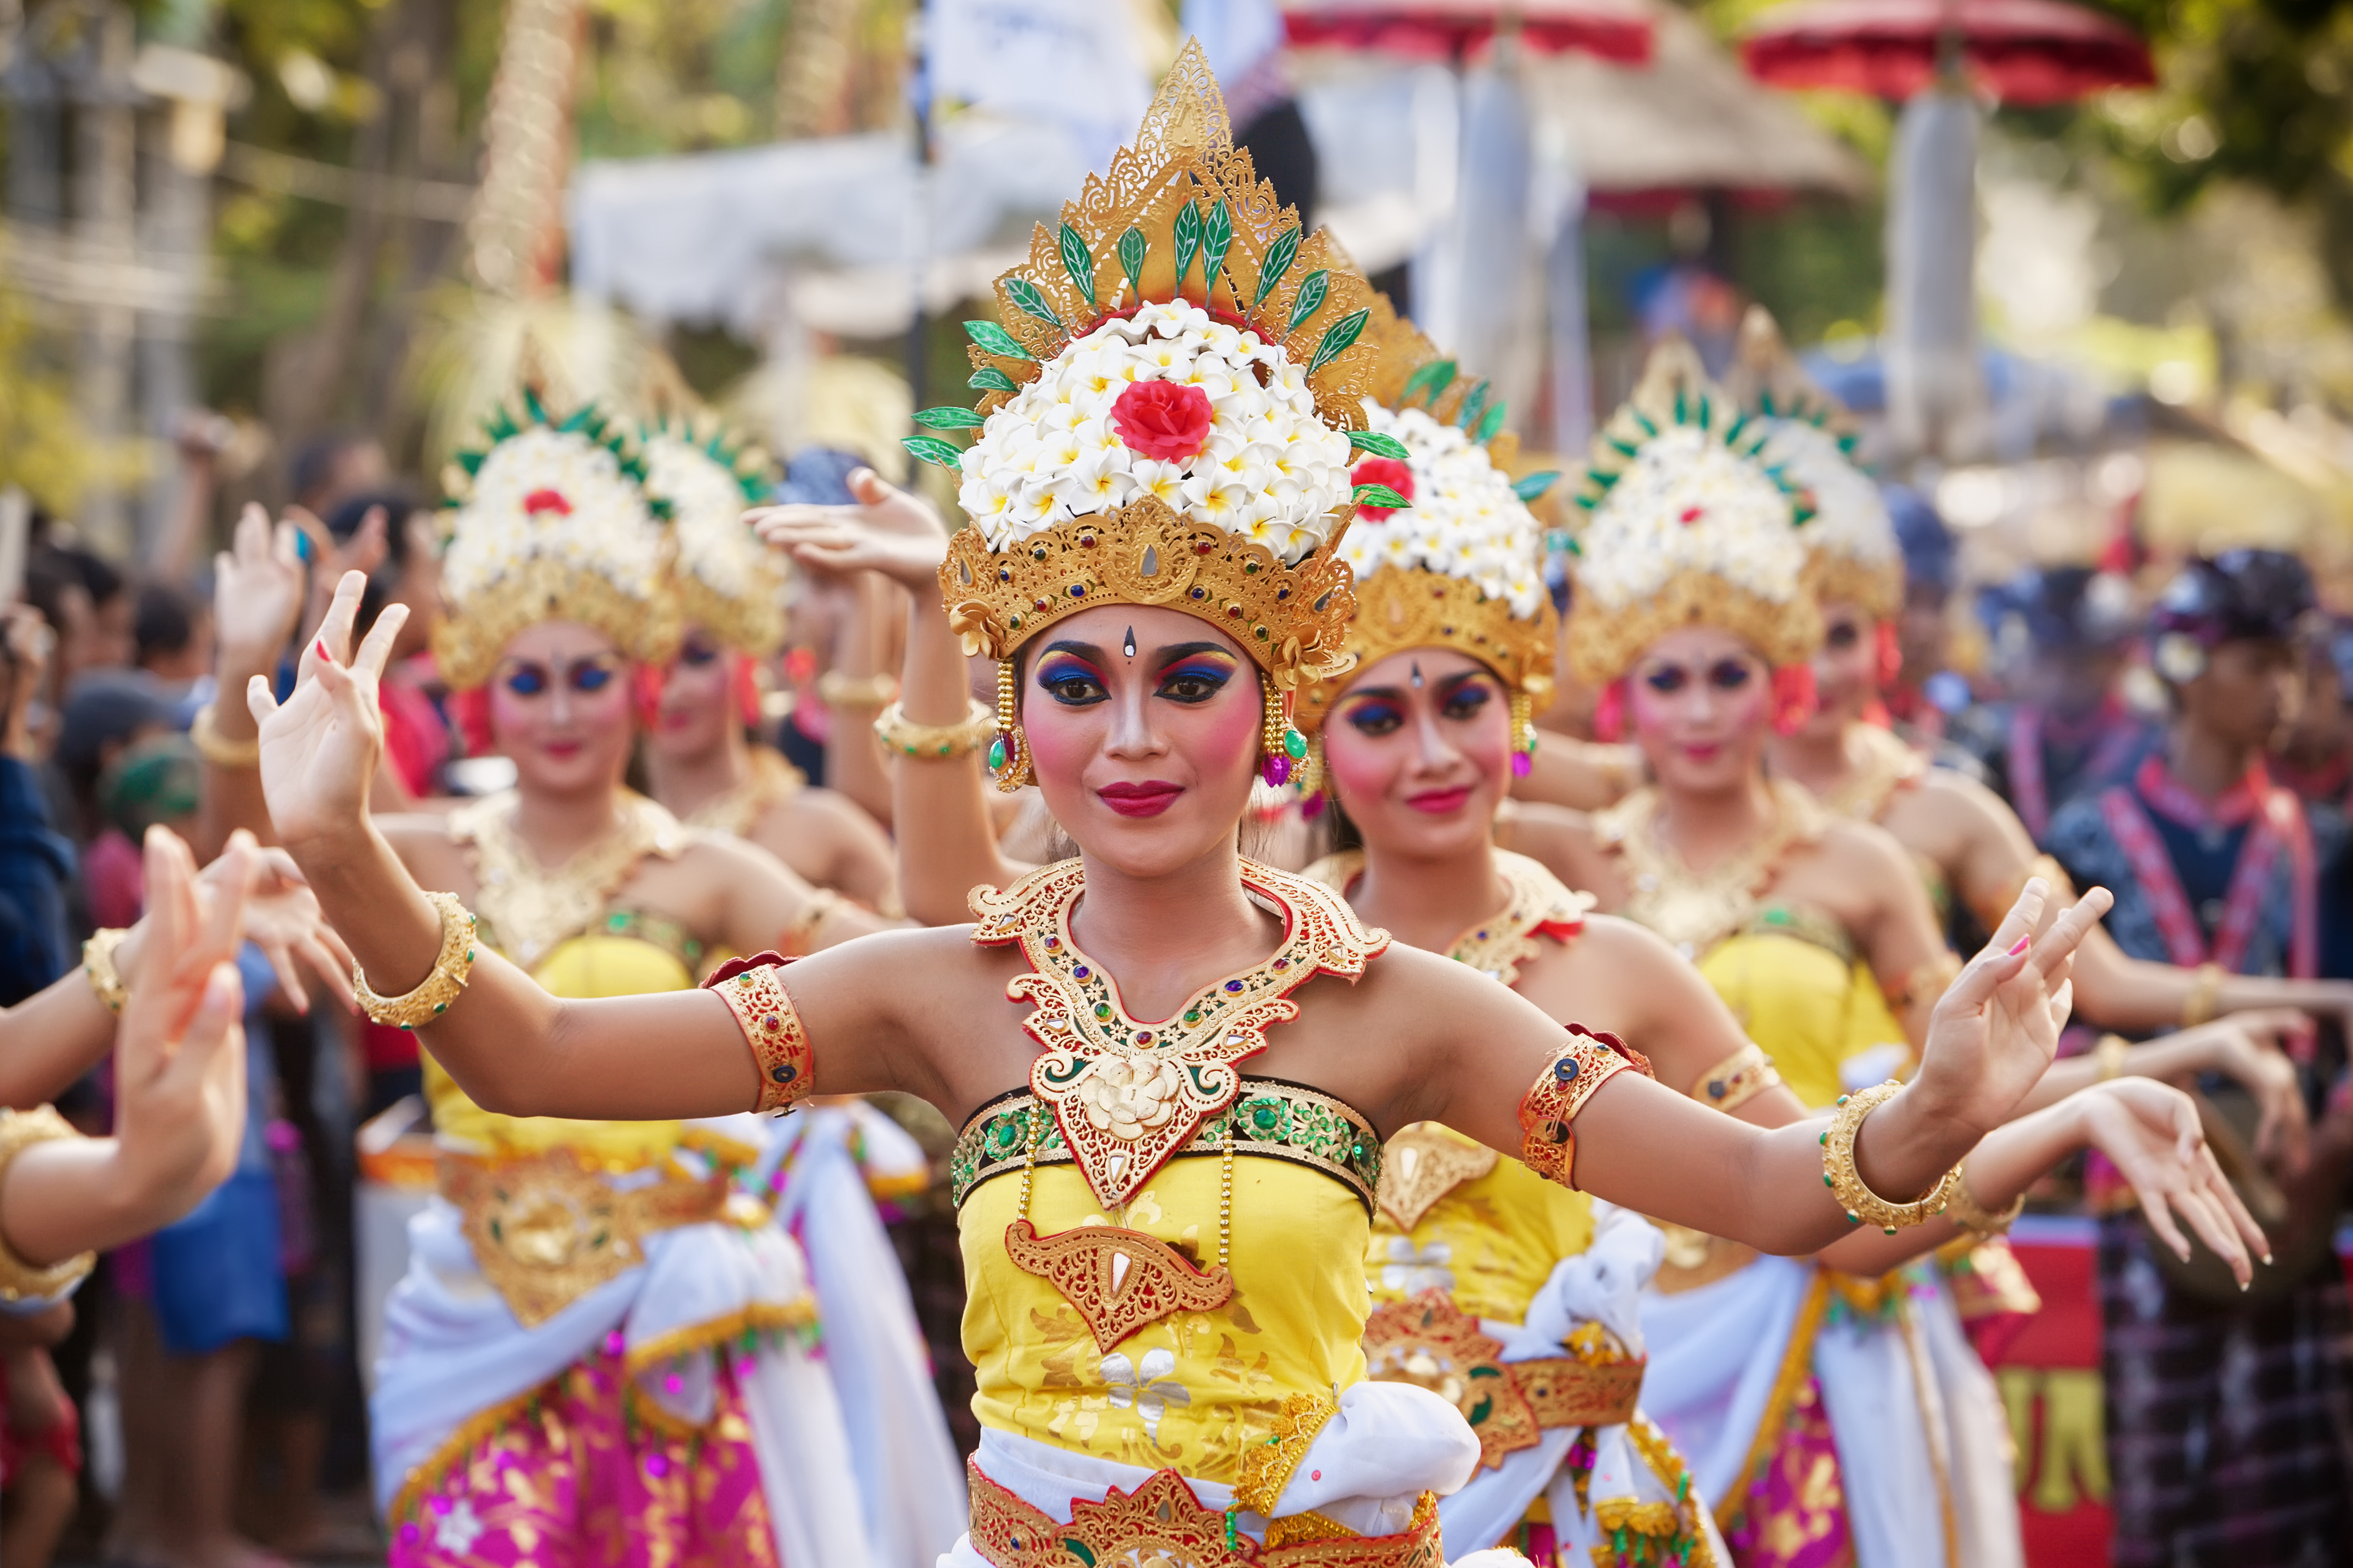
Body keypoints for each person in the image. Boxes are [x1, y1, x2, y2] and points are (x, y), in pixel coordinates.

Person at [248, 52, 2255, 1568]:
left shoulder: (1407, 1012)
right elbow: (530, 1045)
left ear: (1267, 707)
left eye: (1189, 675)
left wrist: (1957, 1096)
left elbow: (1773, 1193)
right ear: (1015, 711)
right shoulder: (933, 989)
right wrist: (342, 833)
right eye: (1079, 679)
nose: (1132, 733)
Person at [300, 385, 900, 1566]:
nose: (563, 708)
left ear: (639, 680)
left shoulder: (710, 870)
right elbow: (254, 863)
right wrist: (237, 689)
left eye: (591, 674)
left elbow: (904, 965)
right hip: (472, 1300)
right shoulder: (422, 850)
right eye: (528, 681)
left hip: (667, 1318)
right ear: (482, 697)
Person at [1478, 340, 2046, 1567]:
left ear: (1775, 686)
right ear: (1621, 695)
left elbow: (1943, 1074)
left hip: (1811, 1300)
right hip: (1597, 1320)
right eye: (1663, 678)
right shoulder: (1558, 866)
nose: (1693, 708)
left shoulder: (1861, 864)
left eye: (1724, 674)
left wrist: (2075, 1099)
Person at [2044, 548, 2353, 1567]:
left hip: (2299, 1204)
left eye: (2292, 662)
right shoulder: (2086, 837)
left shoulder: (2324, 843)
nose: (2284, 689)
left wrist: (2333, 1138)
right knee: (2160, 1490)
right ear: (2185, 664)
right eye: (2256, 660)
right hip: (2145, 1206)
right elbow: (2065, 1013)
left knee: (2305, 1489)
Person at [638, 413, 899, 912]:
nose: (670, 691)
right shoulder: (571, 830)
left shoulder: (826, 829)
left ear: (749, 649)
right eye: (650, 663)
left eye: (698, 656)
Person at [1950, 563, 2155, 842]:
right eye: (2049, 655)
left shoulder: (2149, 748)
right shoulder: (1991, 738)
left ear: (2118, 659)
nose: (2060, 676)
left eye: (2079, 662)